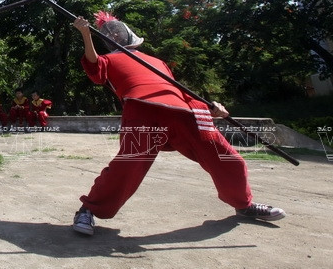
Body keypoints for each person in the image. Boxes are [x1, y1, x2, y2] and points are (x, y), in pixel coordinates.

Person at [70, 12, 285, 236]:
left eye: (117, 30)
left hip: (183, 113)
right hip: (142, 112)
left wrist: (212, 109)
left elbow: (180, 90)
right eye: (108, 33)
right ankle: (88, 209)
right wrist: (86, 34)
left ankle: (244, 205)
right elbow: (94, 69)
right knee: (127, 166)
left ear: (129, 34)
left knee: (228, 157)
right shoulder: (108, 59)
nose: (114, 33)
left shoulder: (158, 62)